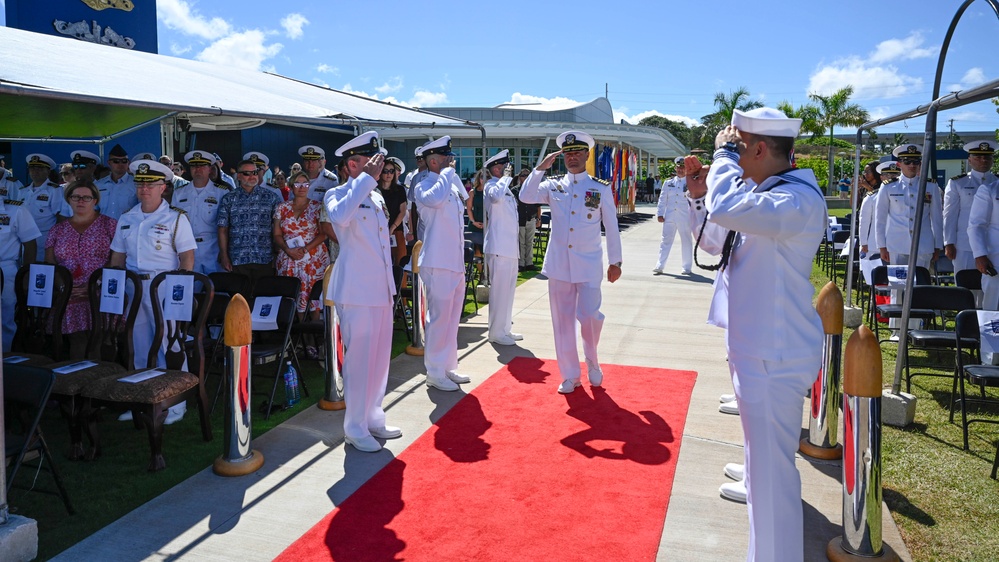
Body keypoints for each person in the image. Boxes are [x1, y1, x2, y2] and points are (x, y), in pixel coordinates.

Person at [685, 107, 827, 562]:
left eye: (739, 146)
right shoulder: (765, 193)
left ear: (760, 149)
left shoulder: (795, 199)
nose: (733, 154)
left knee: (771, 487)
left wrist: (722, 160)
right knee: (764, 476)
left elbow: (727, 208)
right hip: (759, 349)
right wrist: (697, 195)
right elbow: (713, 241)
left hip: (773, 355)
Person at [519, 130, 622, 394]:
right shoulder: (553, 185)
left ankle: (592, 361)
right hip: (559, 266)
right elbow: (526, 196)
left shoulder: (599, 187)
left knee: (589, 317)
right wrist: (540, 169)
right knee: (562, 322)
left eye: (577, 152)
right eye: (568, 153)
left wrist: (616, 261)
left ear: (587, 155)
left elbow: (611, 226)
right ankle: (570, 375)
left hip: (589, 264)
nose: (572, 157)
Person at [323, 131, 399, 452]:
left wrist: (390, 287)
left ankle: (372, 416)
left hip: (380, 288)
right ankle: (354, 427)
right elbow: (340, 217)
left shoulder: (376, 196)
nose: (379, 168)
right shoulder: (336, 194)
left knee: (380, 359)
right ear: (352, 164)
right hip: (355, 290)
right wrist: (365, 180)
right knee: (359, 360)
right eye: (372, 162)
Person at [109, 160, 196, 424]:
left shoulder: (176, 218)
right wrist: (117, 287)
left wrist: (179, 294)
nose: (144, 188)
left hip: (164, 287)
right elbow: (117, 257)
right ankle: (142, 399)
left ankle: (177, 402)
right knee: (138, 344)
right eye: (140, 183)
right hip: (134, 287)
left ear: (163, 188)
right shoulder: (127, 217)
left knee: (171, 342)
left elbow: (187, 258)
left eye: (150, 184)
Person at [412, 136, 473, 392]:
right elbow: (434, 201)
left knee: (451, 319)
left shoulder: (448, 182)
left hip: (454, 261)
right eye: (447, 158)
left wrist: (449, 175)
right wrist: (446, 173)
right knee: (438, 319)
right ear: (434, 161)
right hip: (437, 262)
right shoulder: (424, 186)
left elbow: (465, 200)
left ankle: (448, 367)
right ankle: (434, 372)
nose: (452, 161)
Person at [44, 181, 117, 358]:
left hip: (100, 289)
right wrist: (63, 286)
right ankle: (77, 377)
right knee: (77, 341)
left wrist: (95, 284)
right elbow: (49, 262)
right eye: (76, 197)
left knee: (96, 339)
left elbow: (117, 259)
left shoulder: (110, 225)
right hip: (67, 291)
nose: (81, 201)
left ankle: (99, 378)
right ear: (69, 199)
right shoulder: (57, 229)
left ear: (95, 200)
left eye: (86, 197)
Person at [272, 170, 329, 358]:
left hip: (312, 259)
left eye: (305, 183)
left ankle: (315, 341)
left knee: (313, 300)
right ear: (291, 185)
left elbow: (323, 233)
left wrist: (305, 249)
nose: (302, 187)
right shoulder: (282, 207)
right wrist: (288, 250)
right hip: (288, 259)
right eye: (298, 183)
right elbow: (277, 234)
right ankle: (299, 342)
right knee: (295, 300)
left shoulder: (317, 206)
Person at [874, 144, 943, 269]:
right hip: (897, 244)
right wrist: (882, 246)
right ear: (899, 164)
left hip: (923, 245)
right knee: (898, 285)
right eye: (907, 161)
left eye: (916, 161)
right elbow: (880, 219)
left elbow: (937, 218)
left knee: (921, 285)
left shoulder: (931, 186)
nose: (912, 165)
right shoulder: (888, 186)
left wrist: (937, 245)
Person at [217, 159, 281, 292]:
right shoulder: (228, 199)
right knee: (239, 301)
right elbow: (222, 229)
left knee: (263, 300)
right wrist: (224, 255)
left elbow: (278, 229)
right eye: (247, 173)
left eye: (255, 172)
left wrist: (277, 255)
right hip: (238, 258)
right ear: (238, 176)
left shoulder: (271, 198)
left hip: (264, 258)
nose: (252, 176)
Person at [482, 149, 522, 345]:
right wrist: (506, 178)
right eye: (504, 167)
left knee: (508, 291)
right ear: (495, 169)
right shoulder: (491, 186)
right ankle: (496, 332)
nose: (509, 169)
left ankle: (505, 329)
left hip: (509, 249)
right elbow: (496, 198)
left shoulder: (504, 188)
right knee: (499, 292)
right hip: (498, 248)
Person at [172, 151, 231, 275]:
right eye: (194, 166)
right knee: (191, 289)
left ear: (210, 169)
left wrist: (224, 252)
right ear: (189, 169)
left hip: (213, 248)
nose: (198, 169)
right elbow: (173, 224)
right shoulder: (179, 193)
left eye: (202, 166)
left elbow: (227, 226)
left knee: (217, 289)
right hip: (187, 248)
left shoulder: (222, 193)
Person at [944, 140, 998, 274]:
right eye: (978, 157)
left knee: (992, 290)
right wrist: (949, 242)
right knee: (966, 289)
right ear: (969, 160)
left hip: (994, 247)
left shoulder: (996, 183)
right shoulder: (958, 183)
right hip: (965, 245)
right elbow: (949, 215)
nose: (983, 160)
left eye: (987, 157)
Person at [0, 191, 40, 352]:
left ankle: (5, 359)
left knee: (5, 318)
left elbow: (30, 244)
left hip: (5, 269)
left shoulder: (15, 210)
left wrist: (26, 276)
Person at [18, 153, 63, 261]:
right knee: (25, 270)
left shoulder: (55, 190)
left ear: (48, 171)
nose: (35, 171)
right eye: (32, 168)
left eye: (39, 168)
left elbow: (61, 218)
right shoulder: (23, 191)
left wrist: (54, 240)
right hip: (24, 238)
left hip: (44, 238)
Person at [654, 156, 693, 275]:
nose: (680, 170)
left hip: (685, 217)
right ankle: (660, 265)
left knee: (686, 241)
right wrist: (660, 213)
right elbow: (662, 199)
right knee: (665, 241)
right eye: (678, 167)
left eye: (683, 167)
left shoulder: (691, 183)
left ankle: (686, 267)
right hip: (670, 217)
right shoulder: (668, 183)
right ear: (675, 168)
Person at [93, 144, 138, 221]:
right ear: (109, 163)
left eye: (124, 161)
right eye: (116, 161)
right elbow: (94, 210)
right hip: (104, 229)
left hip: (128, 229)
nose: (120, 164)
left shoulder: (136, 184)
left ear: (128, 163)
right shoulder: (98, 185)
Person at [378, 156, 409, 264]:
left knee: (399, 262)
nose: (389, 174)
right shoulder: (375, 190)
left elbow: (403, 211)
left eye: (391, 171)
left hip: (396, 230)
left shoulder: (400, 190)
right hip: (378, 231)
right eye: (385, 171)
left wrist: (392, 228)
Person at [857, 161, 883, 283]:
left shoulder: (882, 190)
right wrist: (854, 188)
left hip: (889, 242)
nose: (866, 174)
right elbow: (863, 218)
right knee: (873, 277)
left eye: (868, 171)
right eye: (864, 172)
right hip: (872, 239)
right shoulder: (870, 194)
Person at [515, 167, 540, 271]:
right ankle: (521, 263)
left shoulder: (534, 190)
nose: (525, 177)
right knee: (521, 242)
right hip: (520, 219)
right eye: (523, 175)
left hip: (531, 218)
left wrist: (539, 218)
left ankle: (529, 262)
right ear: (519, 178)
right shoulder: (515, 190)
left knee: (530, 242)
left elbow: (538, 206)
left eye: (527, 175)